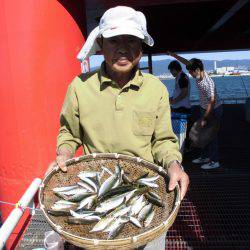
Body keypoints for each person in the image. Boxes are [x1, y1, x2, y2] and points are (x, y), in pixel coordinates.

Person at [47, 6, 189, 249]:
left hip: (145, 187)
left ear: (141, 46)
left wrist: (175, 164)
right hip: (96, 187)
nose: (123, 48)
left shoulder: (155, 89)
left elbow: (163, 141)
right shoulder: (80, 87)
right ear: (101, 44)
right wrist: (65, 153)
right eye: (114, 40)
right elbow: (69, 133)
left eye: (131, 40)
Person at [167, 51, 223, 170]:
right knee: (202, 134)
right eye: (189, 71)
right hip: (204, 108)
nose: (190, 74)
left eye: (192, 71)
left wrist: (205, 118)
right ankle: (205, 156)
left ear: (197, 69)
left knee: (212, 135)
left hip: (213, 110)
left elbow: (212, 102)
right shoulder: (198, 73)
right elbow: (187, 63)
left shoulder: (208, 83)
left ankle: (214, 161)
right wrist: (174, 56)